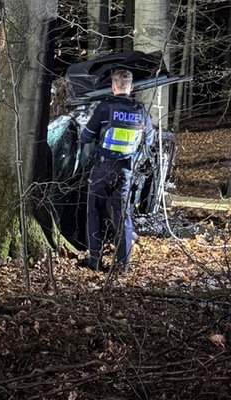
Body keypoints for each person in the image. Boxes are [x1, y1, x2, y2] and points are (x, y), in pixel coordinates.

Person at [79, 69, 153, 273]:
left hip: (102, 168)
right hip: (125, 171)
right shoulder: (140, 110)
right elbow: (150, 140)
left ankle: (94, 261)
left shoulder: (105, 108)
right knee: (122, 217)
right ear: (131, 88)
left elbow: (85, 136)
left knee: (94, 213)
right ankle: (123, 265)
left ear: (113, 87)